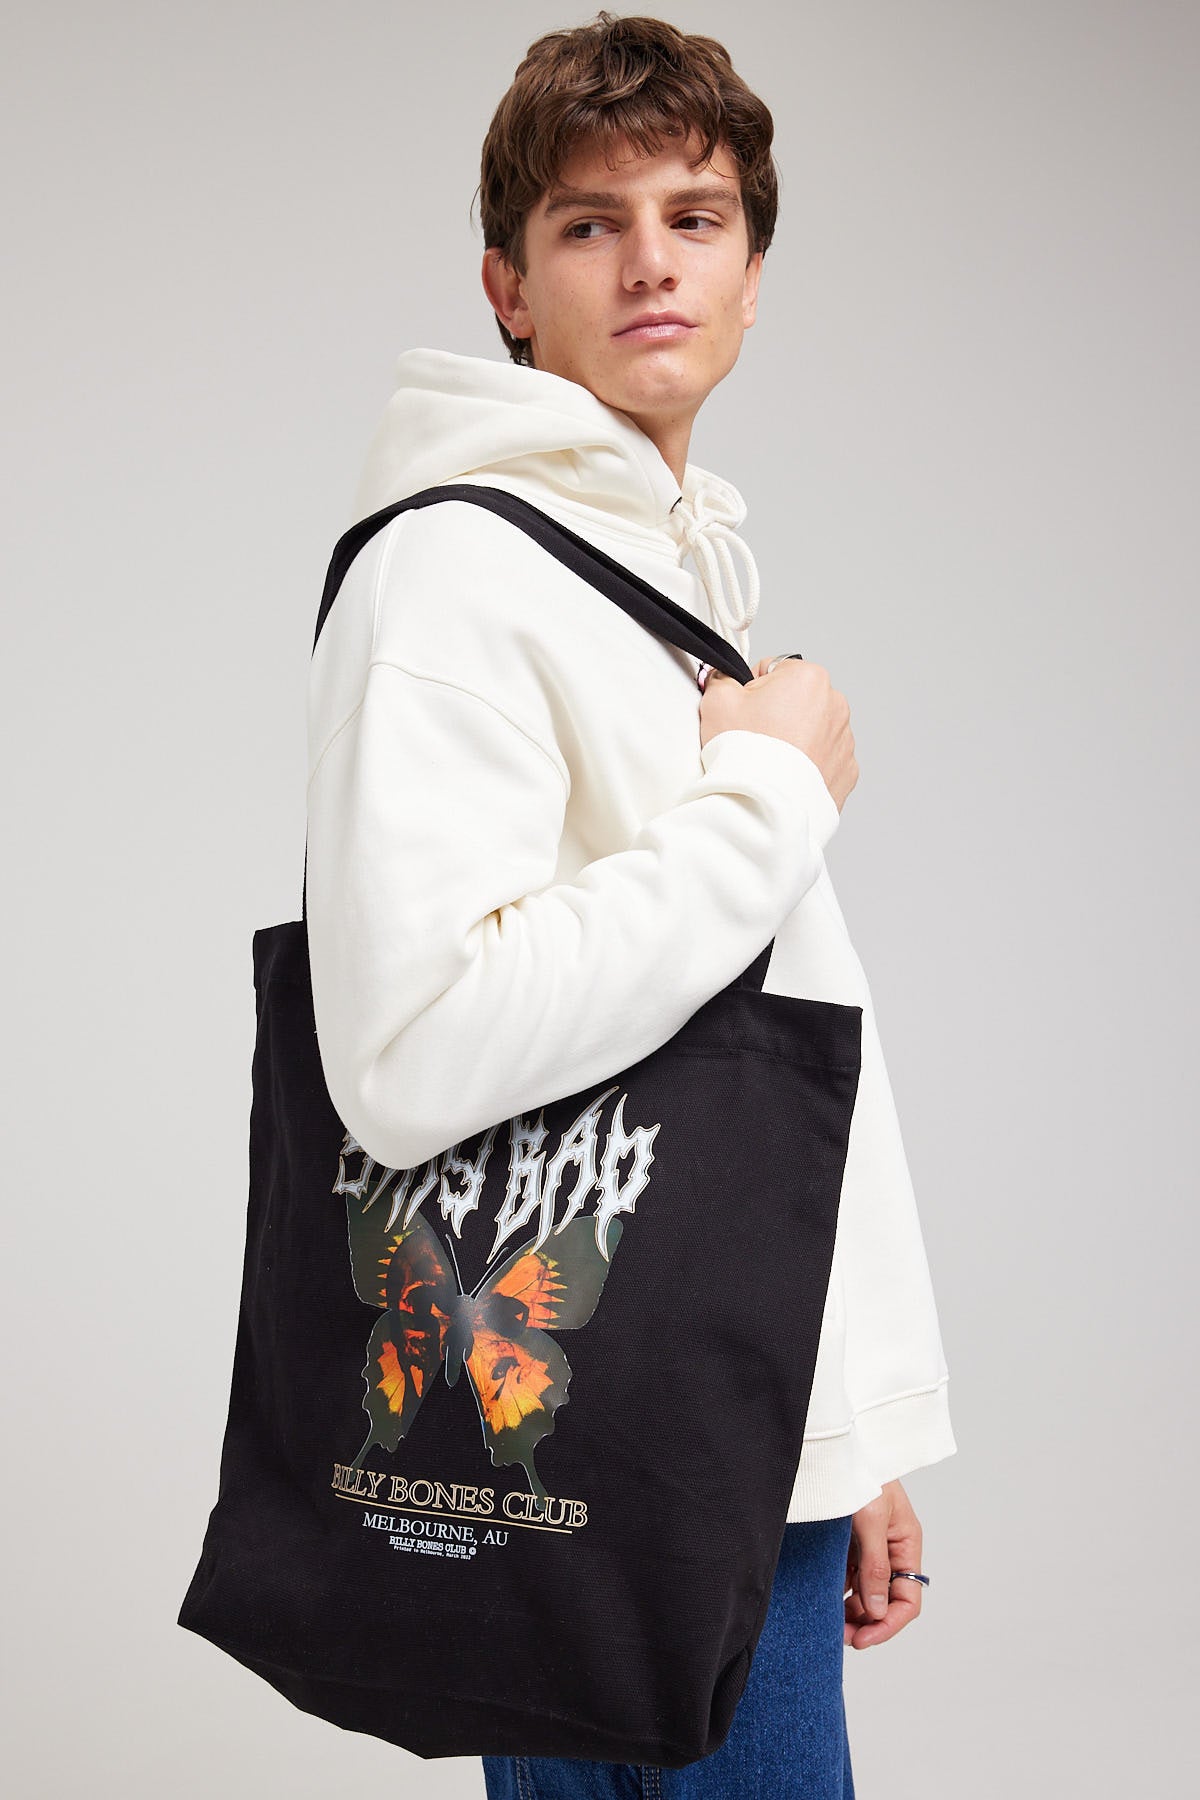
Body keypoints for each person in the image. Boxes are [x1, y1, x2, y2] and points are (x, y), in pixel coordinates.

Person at [304, 12, 956, 1796]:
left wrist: (835, 1435)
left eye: (698, 217)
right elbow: (418, 1049)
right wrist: (772, 793)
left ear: (753, 275)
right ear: (509, 289)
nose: (653, 262)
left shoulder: (646, 564)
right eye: (591, 224)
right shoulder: (458, 568)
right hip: (637, 1444)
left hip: (705, 1427)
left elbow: (719, 1056)